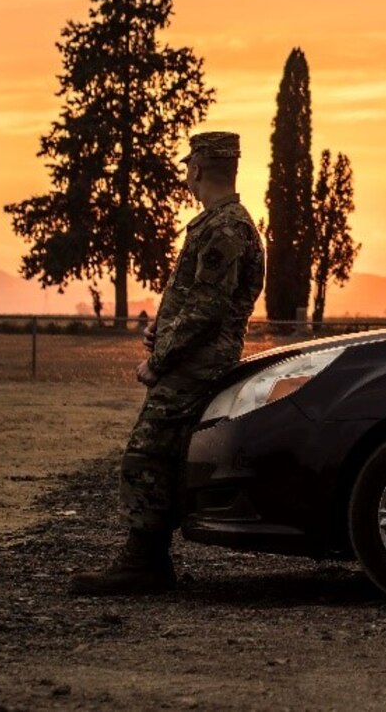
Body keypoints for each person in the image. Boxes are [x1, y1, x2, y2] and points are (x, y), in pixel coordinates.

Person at [70, 130, 266, 595]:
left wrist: (160, 360)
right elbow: (194, 299)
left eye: (187, 167)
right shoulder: (221, 223)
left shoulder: (224, 227)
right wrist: (161, 325)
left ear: (197, 169)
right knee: (165, 456)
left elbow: (206, 307)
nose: (185, 175)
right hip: (192, 358)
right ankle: (149, 558)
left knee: (146, 454)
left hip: (195, 366)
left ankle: (142, 562)